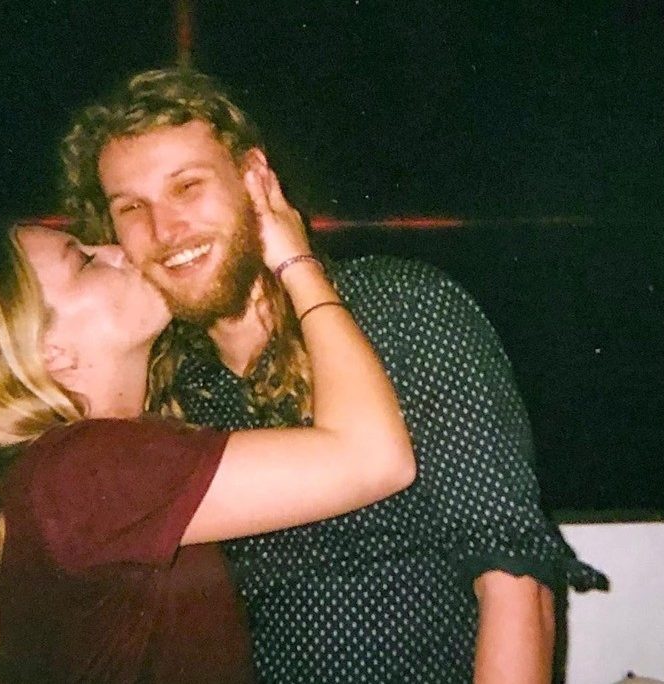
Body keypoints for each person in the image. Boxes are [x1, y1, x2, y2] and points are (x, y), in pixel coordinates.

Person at [61, 67, 608, 683]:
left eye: (187, 187)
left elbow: (515, 580)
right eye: (132, 208)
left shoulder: (397, 309)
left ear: (254, 178)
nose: (165, 231)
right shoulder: (167, 389)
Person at [0, 189, 415, 682]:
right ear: (51, 352)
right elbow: (374, 459)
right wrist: (296, 263)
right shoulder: (84, 471)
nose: (119, 252)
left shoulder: (57, 473)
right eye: (84, 261)